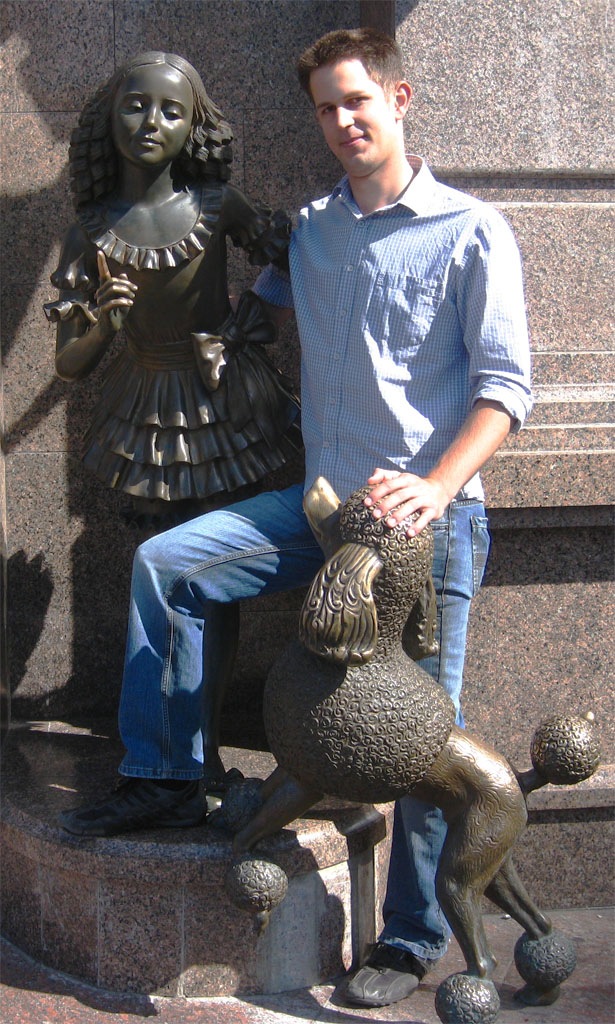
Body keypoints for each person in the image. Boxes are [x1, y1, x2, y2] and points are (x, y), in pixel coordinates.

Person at [58, 29, 532, 1010]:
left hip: (419, 529)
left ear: (399, 98)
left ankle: (408, 937)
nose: (343, 121)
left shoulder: (471, 229)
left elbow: (504, 391)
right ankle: (166, 775)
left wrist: (437, 487)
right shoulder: (312, 228)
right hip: (316, 510)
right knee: (169, 564)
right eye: (326, 107)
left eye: (357, 100)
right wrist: (189, 330)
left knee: (420, 735)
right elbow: (262, 310)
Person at [45, 51, 300, 520]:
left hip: (227, 392)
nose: (151, 122)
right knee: (154, 530)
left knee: (229, 533)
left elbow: (298, 261)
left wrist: (263, 310)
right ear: (109, 117)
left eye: (171, 111)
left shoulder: (220, 205)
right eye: (135, 106)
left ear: (193, 129)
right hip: (145, 403)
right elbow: (67, 364)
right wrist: (104, 328)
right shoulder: (88, 234)